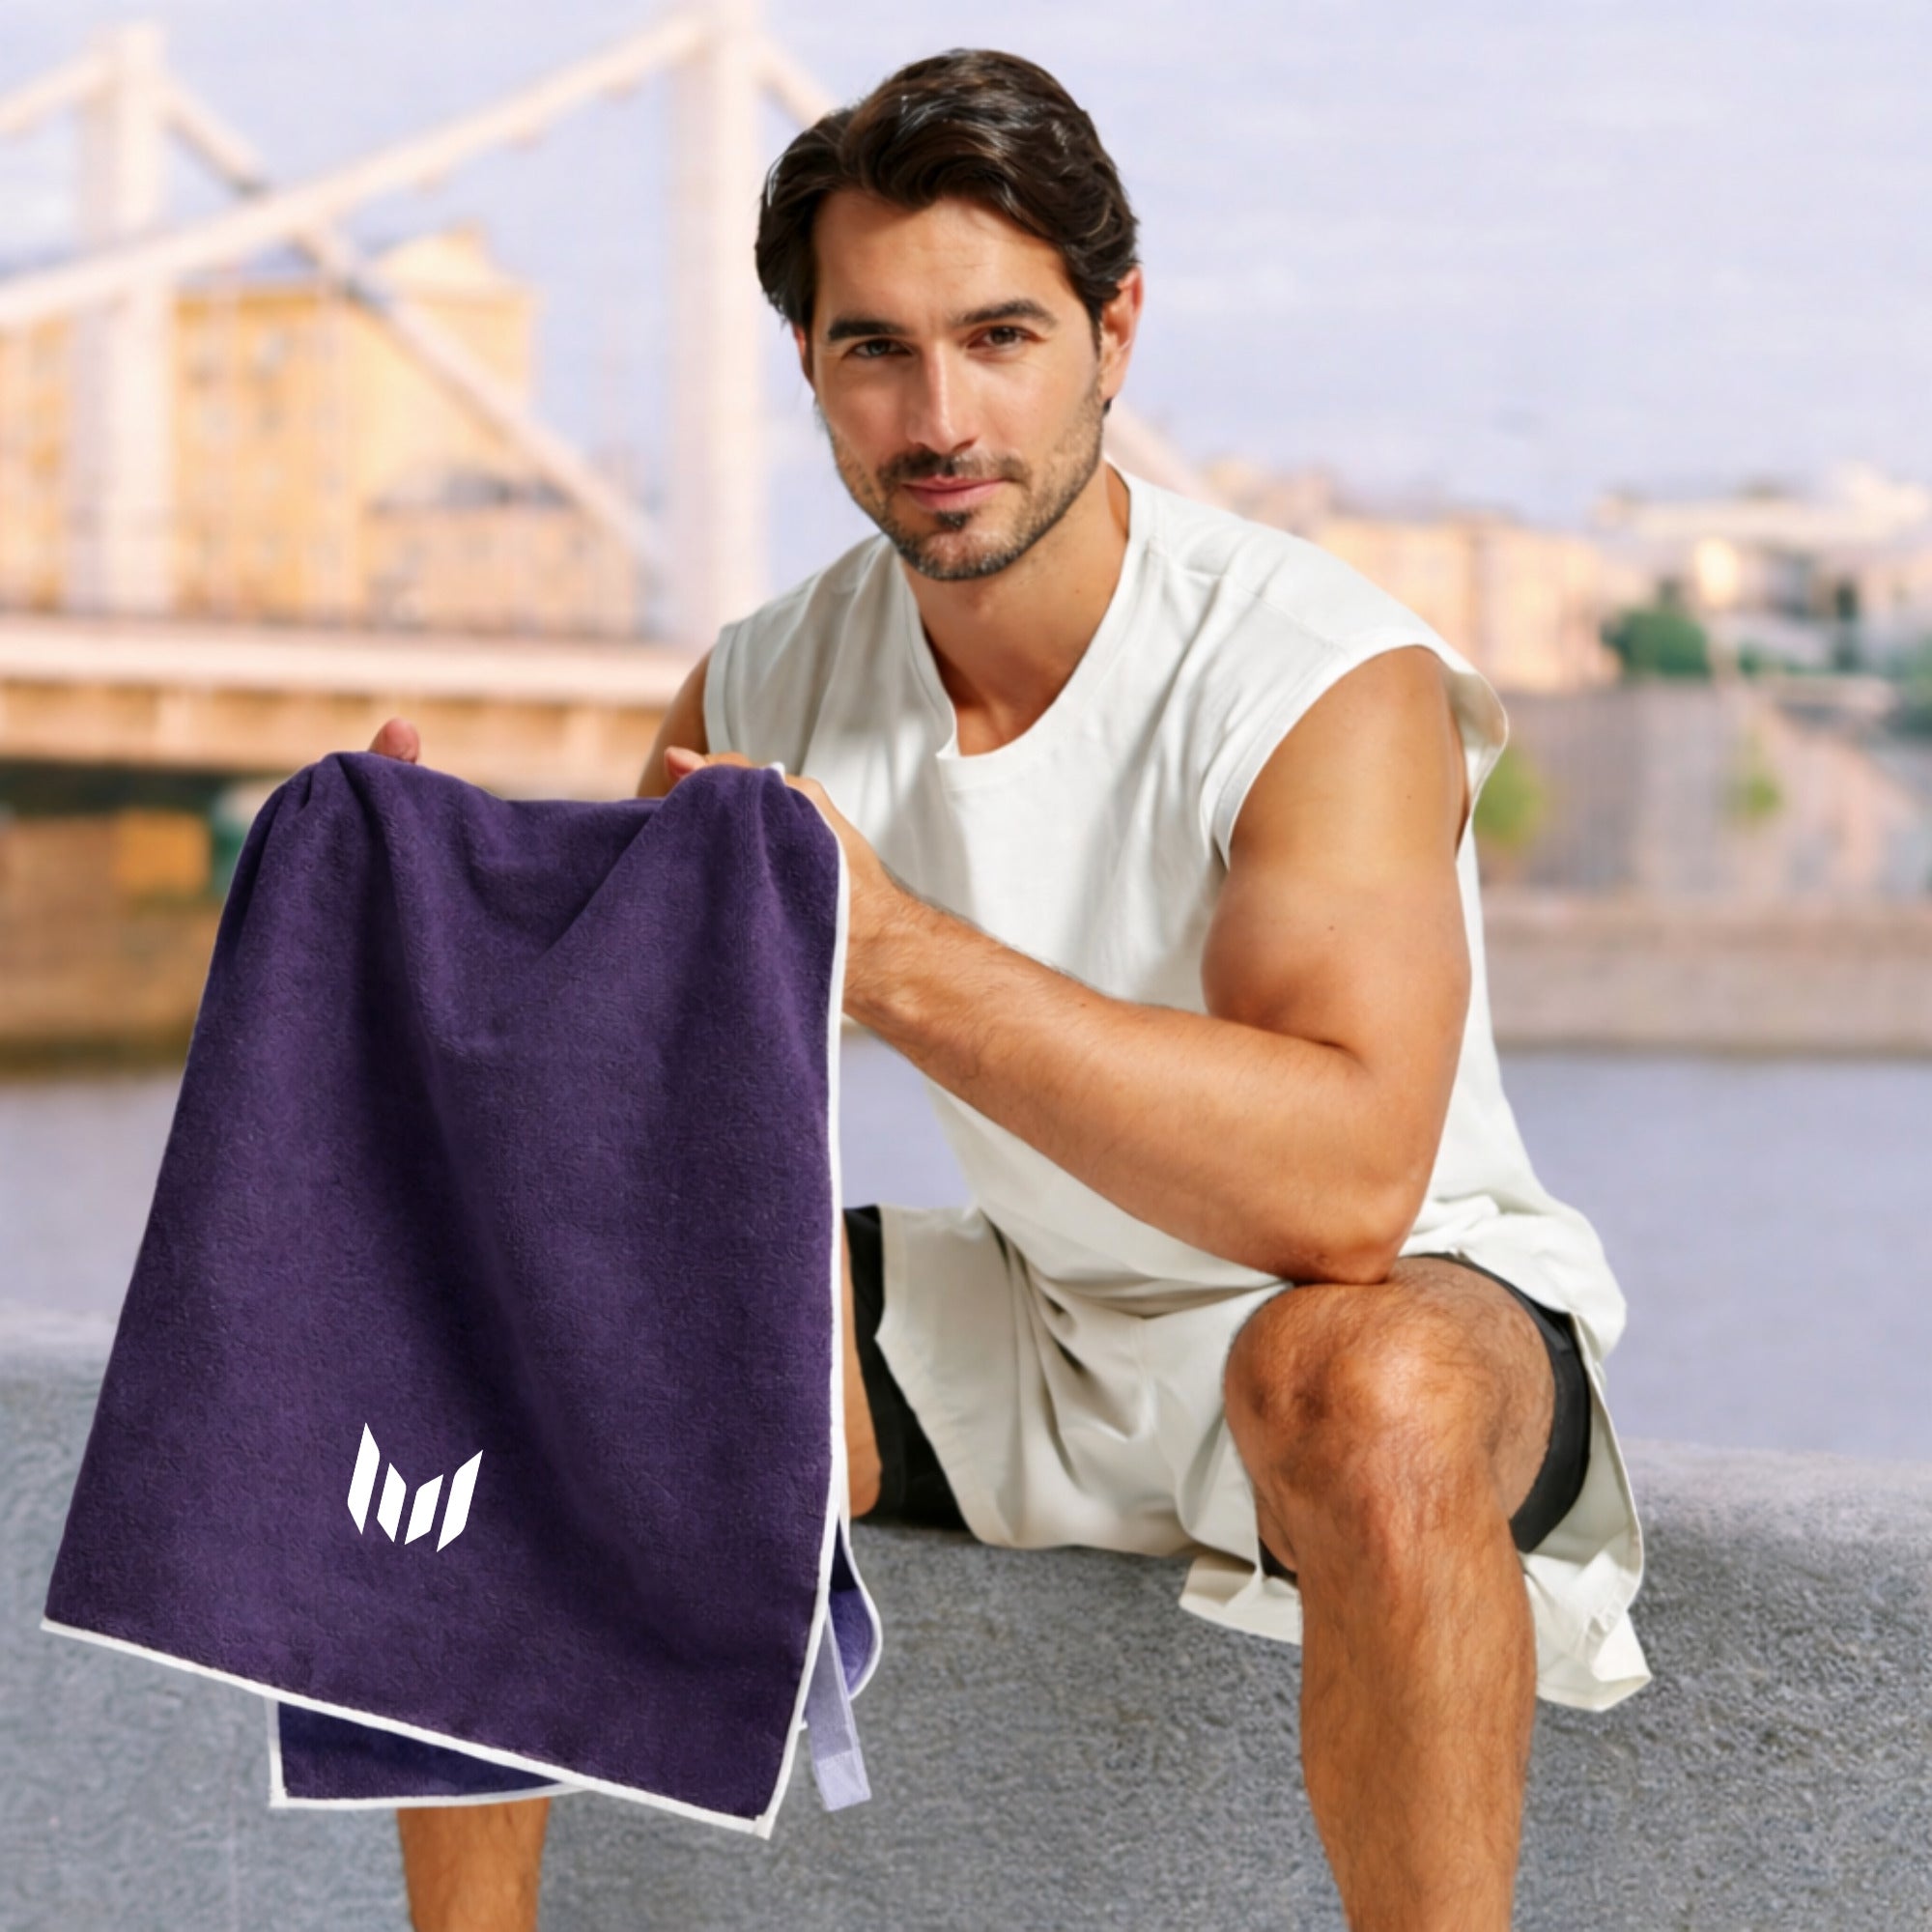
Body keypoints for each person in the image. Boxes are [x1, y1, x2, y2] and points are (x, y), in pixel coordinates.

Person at [379, 46, 1649, 1932]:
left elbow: (1347, 1193)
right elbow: (603, 1113)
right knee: (495, 1326)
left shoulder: (1320, 674)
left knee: (1361, 1387)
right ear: (808, 368)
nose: (938, 414)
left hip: (1392, 1320)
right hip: (1040, 1335)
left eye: (999, 336)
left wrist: (887, 949)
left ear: (1112, 330)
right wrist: (417, 918)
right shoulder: (764, 687)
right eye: (871, 350)